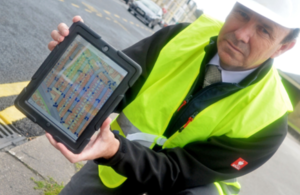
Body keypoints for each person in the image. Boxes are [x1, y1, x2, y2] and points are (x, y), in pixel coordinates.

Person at [46, 0, 300, 194]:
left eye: (264, 30)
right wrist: (77, 65)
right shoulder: (181, 36)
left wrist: (116, 151)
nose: (242, 34)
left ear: (284, 47)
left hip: (183, 185)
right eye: (242, 13)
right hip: (115, 162)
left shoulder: (269, 119)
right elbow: (113, 85)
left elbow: (182, 172)